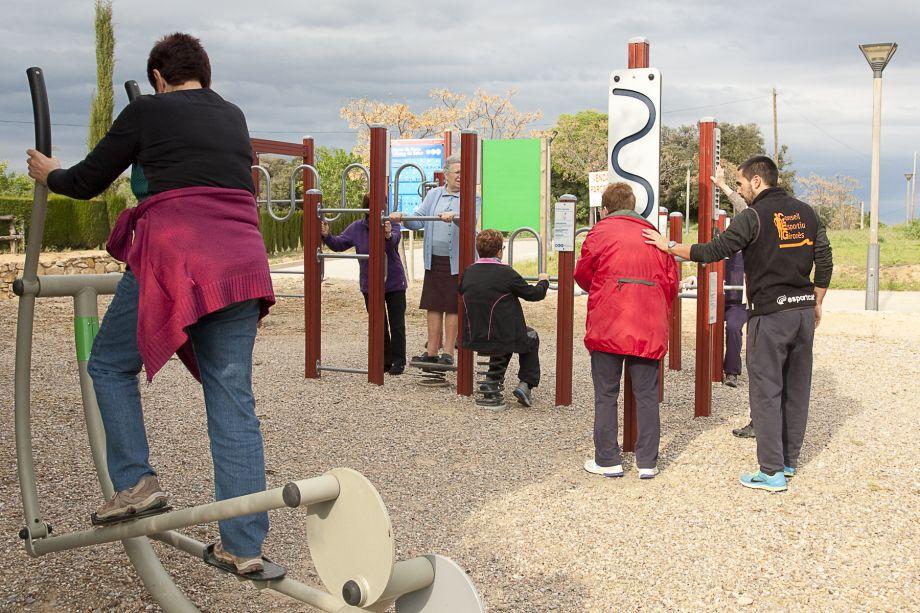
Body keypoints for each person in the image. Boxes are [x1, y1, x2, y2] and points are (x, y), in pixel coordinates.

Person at [26, 33, 274, 573]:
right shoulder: (233, 115)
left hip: (180, 256)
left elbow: (89, 181)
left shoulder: (147, 112)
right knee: (233, 399)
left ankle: (136, 480)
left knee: (110, 364)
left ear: (159, 78)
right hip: (242, 264)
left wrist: (51, 174)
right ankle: (244, 544)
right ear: (204, 74)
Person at [644, 156, 833, 493]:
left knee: (766, 390)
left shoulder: (754, 216)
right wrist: (817, 301)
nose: (741, 190)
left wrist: (669, 246)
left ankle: (771, 471)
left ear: (757, 181)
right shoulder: (807, 212)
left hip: (770, 314)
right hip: (802, 312)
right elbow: (825, 258)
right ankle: (788, 462)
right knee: (796, 389)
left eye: (742, 183)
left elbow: (715, 250)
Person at [575, 183, 679, 479]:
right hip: (647, 323)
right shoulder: (654, 236)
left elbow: (583, 274)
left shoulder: (600, 232)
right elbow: (671, 282)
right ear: (634, 206)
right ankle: (647, 462)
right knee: (647, 395)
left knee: (606, 395)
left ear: (605, 210)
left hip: (609, 322)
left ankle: (608, 459)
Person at [389, 156, 480, 367]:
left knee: (453, 305)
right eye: (457, 172)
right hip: (434, 259)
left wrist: (455, 216)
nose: (460, 176)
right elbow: (419, 219)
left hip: (457, 260)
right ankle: (431, 351)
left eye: (463, 173)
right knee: (433, 304)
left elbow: (469, 219)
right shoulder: (434, 194)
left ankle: (448, 353)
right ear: (446, 174)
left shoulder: (471, 197)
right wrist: (402, 217)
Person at [458, 229, 549, 407]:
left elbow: (462, 290)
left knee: (505, 329)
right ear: (500, 251)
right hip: (501, 336)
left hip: (475, 334)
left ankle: (491, 380)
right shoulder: (506, 273)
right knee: (531, 337)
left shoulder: (469, 272)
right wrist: (543, 281)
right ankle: (526, 384)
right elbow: (533, 294)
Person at [321, 195, 407, 374]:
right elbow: (339, 245)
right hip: (371, 283)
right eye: (376, 206)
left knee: (396, 323)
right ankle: (385, 359)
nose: (380, 210)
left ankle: (399, 360)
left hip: (393, 281)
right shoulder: (357, 228)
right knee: (379, 323)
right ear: (367, 209)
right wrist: (327, 235)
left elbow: (395, 240)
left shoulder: (391, 223)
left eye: (383, 205)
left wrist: (388, 234)